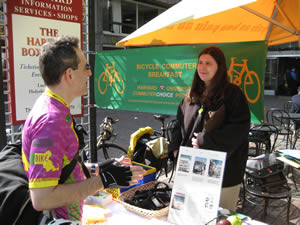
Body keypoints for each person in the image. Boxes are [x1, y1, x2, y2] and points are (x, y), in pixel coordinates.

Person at [21, 36, 145, 222]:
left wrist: (102, 167)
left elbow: (62, 171)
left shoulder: (55, 107)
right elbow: (42, 198)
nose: (89, 73)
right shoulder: (51, 120)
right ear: (69, 75)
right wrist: (105, 180)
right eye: (86, 66)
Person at [168, 46, 250, 211]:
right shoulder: (191, 95)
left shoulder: (232, 94)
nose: (202, 67)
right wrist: (175, 147)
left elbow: (238, 130)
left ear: (219, 67)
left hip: (223, 174)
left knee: (220, 216)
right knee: (189, 214)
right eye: (200, 62)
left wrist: (203, 141)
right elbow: (179, 123)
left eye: (208, 63)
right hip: (190, 171)